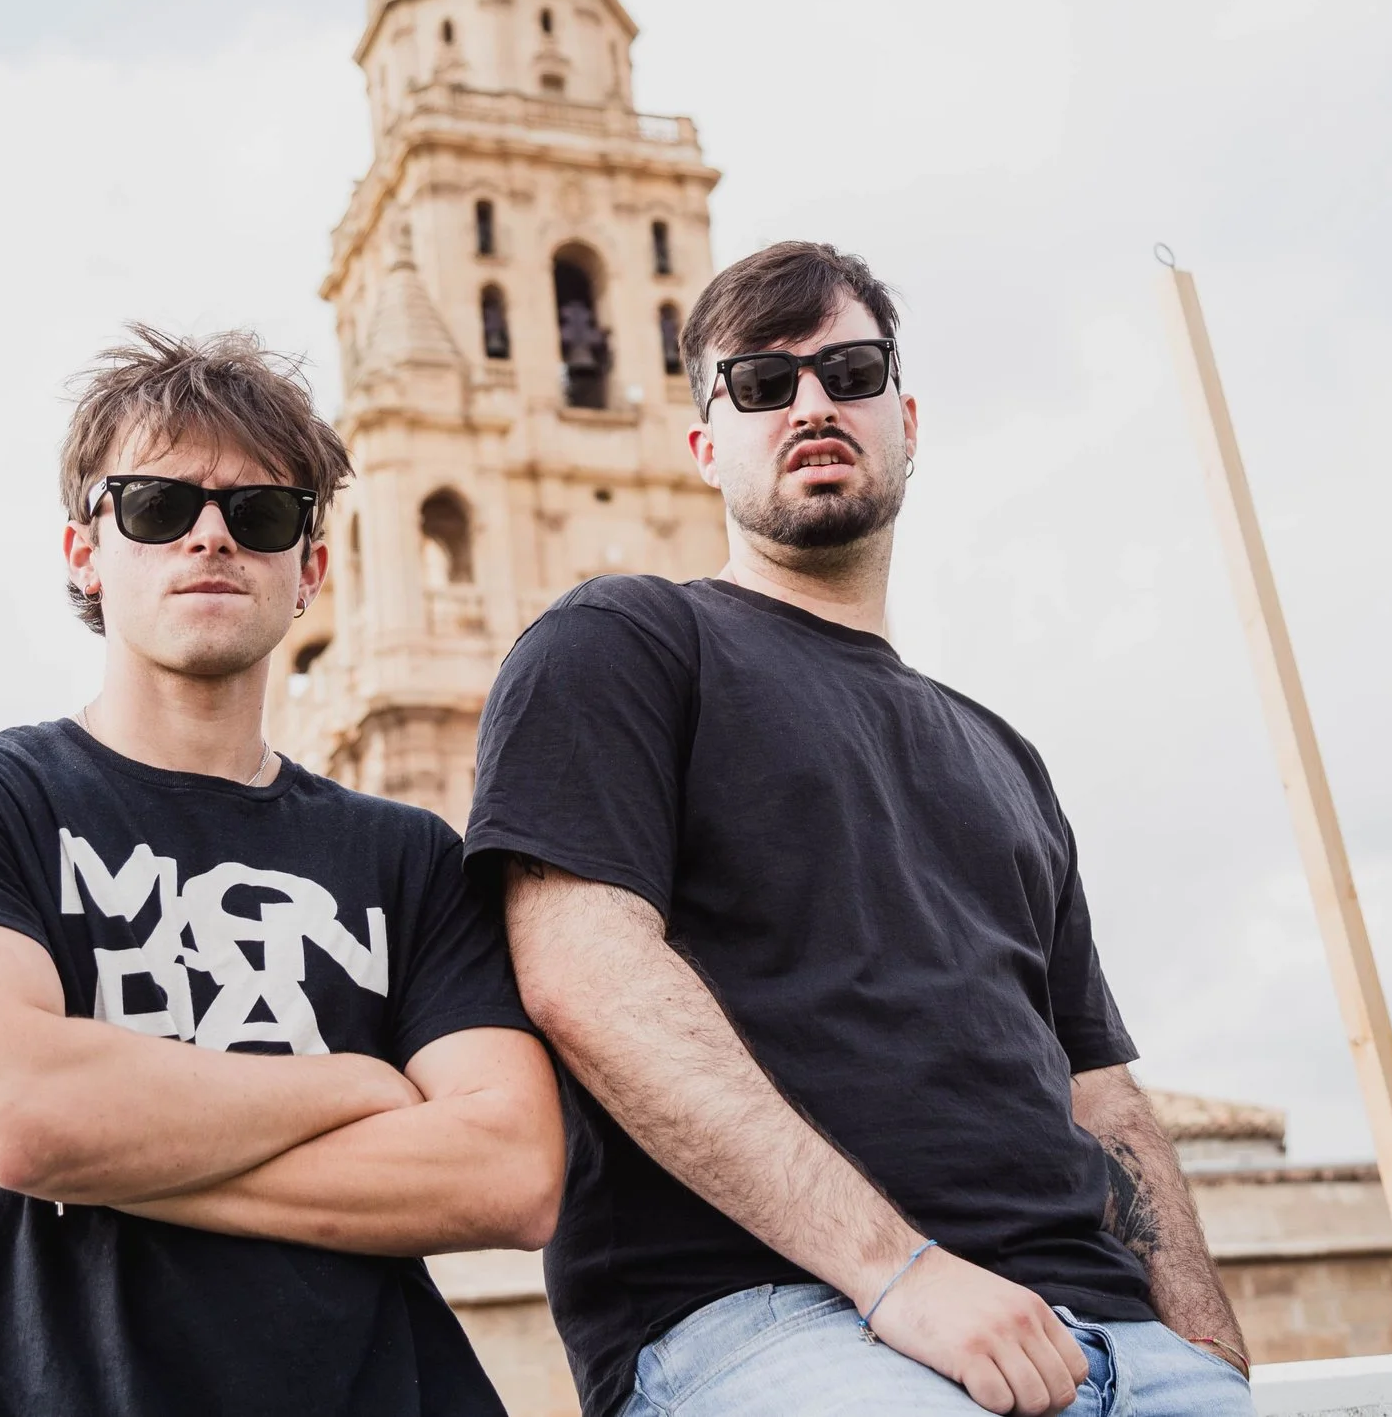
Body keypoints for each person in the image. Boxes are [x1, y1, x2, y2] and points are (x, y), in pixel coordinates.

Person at [467, 243, 1254, 1417]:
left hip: (1116, 1337)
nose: (812, 404)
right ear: (704, 445)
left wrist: (1198, 1338)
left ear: (906, 419)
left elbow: (1100, 1087)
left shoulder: (1003, 753)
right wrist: (901, 1273)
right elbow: (586, 974)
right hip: (771, 1320)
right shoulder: (621, 643)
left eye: (849, 371)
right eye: (760, 383)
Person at [0, 326, 562, 1417]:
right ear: (84, 551)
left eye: (260, 513)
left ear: (311, 569)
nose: (210, 534)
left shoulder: (410, 856)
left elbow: (512, 1173)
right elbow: (11, 1111)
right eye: (157, 505)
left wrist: (109, 1147)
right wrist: (356, 1086)